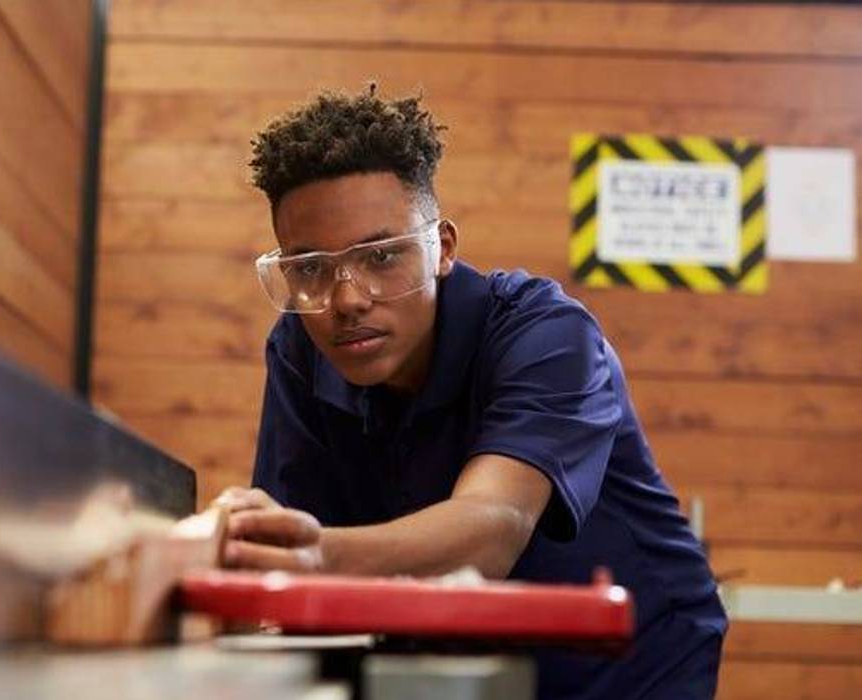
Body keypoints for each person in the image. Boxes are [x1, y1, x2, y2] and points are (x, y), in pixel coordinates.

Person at [213, 86, 727, 699]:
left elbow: (492, 528)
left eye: (382, 256)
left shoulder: (549, 336)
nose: (347, 299)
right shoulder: (299, 351)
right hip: (466, 658)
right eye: (310, 268)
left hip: (632, 665)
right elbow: (300, 534)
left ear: (442, 250)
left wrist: (308, 555)